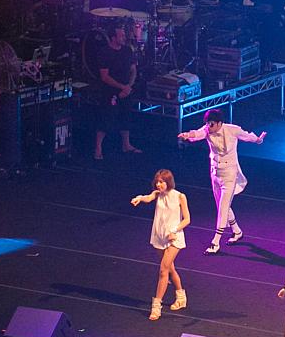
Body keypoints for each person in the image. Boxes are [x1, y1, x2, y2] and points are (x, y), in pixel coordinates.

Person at [177, 108, 265, 254]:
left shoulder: (232, 130)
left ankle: (215, 242)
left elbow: (247, 136)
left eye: (212, 124)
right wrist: (187, 135)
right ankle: (237, 231)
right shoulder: (207, 130)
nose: (209, 127)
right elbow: (197, 133)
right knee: (221, 205)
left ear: (219, 123)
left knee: (224, 207)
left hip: (229, 174)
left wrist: (258, 139)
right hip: (215, 173)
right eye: (207, 124)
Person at [130, 168, 191, 320]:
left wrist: (174, 230)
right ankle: (181, 296)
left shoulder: (180, 196)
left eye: (162, 182)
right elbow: (148, 198)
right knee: (170, 269)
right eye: (157, 182)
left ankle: (156, 306)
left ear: (168, 182)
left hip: (174, 238)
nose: (159, 185)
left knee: (163, 270)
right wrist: (139, 198)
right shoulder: (157, 194)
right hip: (159, 236)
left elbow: (187, 219)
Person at [91, 23, 141, 160]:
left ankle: (126, 145)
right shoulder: (105, 52)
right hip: (110, 91)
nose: (124, 37)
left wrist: (128, 87)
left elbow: (133, 71)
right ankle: (98, 148)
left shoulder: (127, 51)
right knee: (106, 118)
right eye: (121, 35)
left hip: (126, 89)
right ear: (113, 38)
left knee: (126, 116)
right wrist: (121, 87)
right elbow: (105, 76)